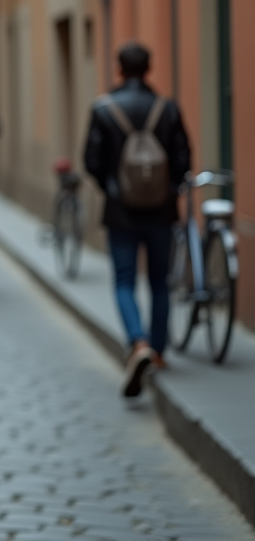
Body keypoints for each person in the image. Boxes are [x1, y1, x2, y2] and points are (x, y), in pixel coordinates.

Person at [83, 41, 190, 398]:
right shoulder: (168, 108)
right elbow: (182, 159)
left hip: (121, 211)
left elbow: (92, 161)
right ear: (148, 69)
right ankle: (158, 351)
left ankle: (137, 341)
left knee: (125, 279)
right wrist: (168, 189)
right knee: (160, 281)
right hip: (161, 211)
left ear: (119, 69)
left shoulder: (103, 109)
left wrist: (114, 189)